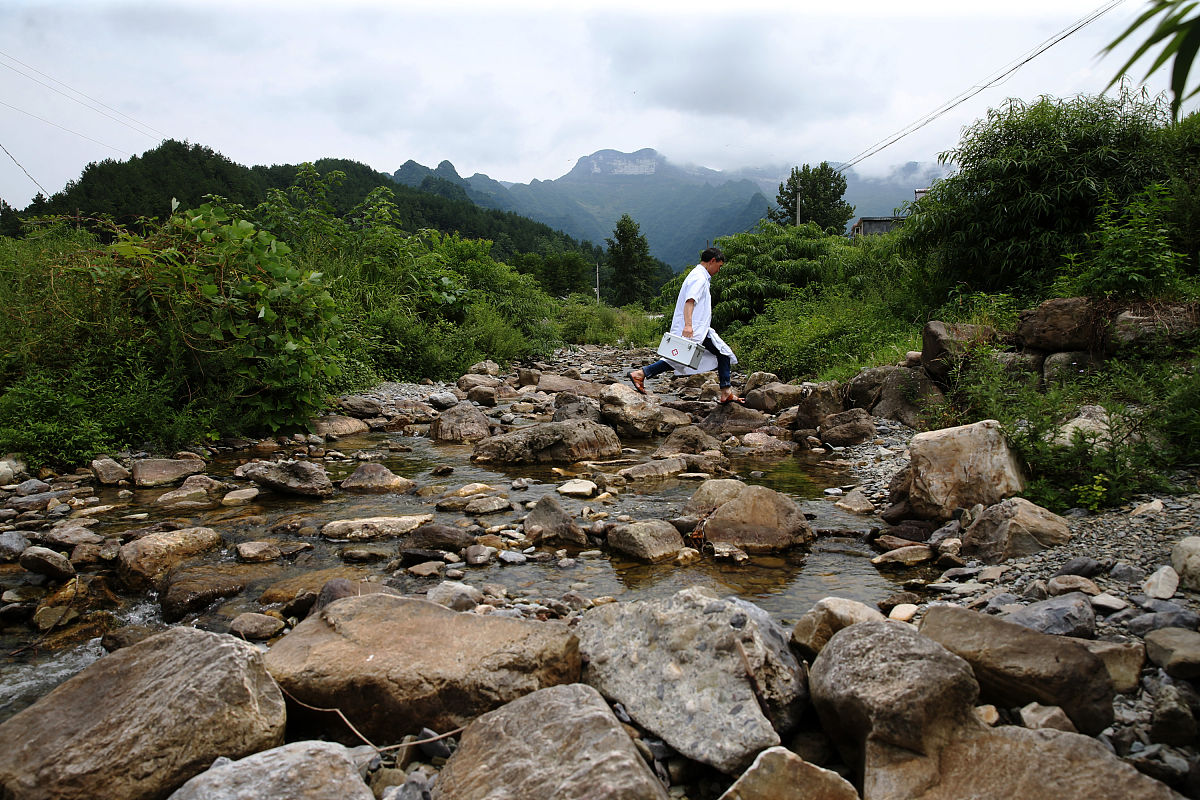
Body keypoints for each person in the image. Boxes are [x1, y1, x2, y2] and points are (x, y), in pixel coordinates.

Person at [628, 246, 743, 404]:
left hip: (699, 328)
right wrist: (688, 325)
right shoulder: (699, 277)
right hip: (695, 329)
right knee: (719, 353)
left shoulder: (698, 275)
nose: (719, 270)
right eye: (719, 266)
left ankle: (642, 373)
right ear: (713, 261)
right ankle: (726, 391)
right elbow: (690, 301)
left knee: (684, 358)